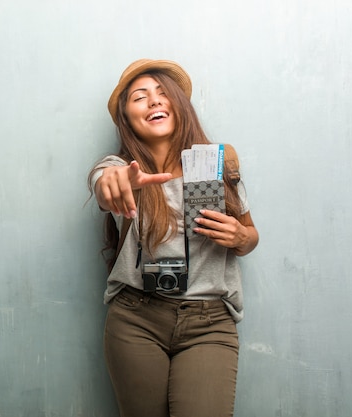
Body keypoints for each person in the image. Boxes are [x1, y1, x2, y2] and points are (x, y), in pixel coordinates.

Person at [88, 59, 259, 417]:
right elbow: (105, 181)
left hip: (208, 322)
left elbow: (250, 236)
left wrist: (240, 235)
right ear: (127, 118)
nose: (154, 101)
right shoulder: (123, 168)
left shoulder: (219, 162)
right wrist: (109, 185)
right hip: (136, 319)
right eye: (140, 97)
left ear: (179, 105)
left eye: (163, 93)